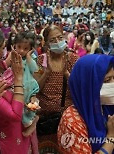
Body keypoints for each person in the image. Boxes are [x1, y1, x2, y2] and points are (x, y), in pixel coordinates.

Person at [34, 25, 78, 153]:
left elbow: (79, 89)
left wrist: (66, 74)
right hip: (46, 119)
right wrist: (47, 72)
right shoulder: (41, 60)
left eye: (60, 38)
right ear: (46, 43)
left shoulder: (73, 60)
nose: (58, 42)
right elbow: (35, 89)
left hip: (67, 119)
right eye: (53, 40)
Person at [58, 54, 114, 153]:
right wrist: (111, 137)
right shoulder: (72, 121)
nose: (112, 84)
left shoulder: (106, 105)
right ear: (88, 86)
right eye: (107, 80)